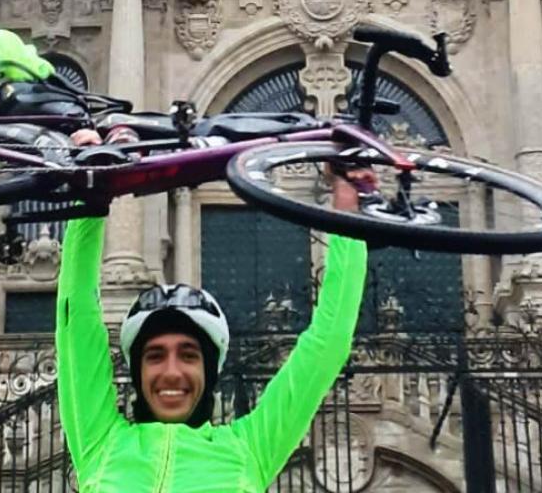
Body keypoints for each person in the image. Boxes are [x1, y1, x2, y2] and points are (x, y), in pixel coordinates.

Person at [55, 173, 370, 490]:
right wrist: (92, 192)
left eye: (189, 355)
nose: (172, 372)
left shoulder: (249, 449)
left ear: (208, 369)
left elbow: (328, 342)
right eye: (155, 355)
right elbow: (76, 313)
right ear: (137, 371)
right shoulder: (101, 443)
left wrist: (345, 200)